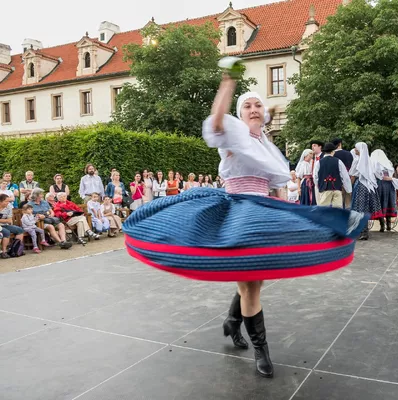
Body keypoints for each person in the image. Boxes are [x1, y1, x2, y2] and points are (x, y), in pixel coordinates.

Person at [123, 69, 368, 379]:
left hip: (263, 208)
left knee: (256, 277)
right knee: (251, 283)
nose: (254, 110)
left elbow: (274, 176)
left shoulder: (266, 145)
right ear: (239, 114)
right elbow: (216, 121)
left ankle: (232, 320)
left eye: (258, 106)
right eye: (247, 106)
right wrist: (228, 83)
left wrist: (283, 207)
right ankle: (261, 351)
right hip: (236, 210)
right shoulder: (233, 135)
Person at [349, 142, 383, 240]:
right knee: (364, 210)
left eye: (356, 148)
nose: (355, 150)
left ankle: (362, 232)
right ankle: (364, 231)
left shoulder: (357, 161)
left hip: (360, 186)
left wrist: (349, 188)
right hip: (368, 187)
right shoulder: (370, 161)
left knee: (359, 209)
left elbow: (352, 175)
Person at [370, 150, 398, 232]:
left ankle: (382, 225)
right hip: (389, 185)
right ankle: (388, 225)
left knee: (380, 203)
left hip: (380, 185)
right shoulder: (388, 163)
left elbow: (374, 174)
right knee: (388, 203)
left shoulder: (375, 163)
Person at [313, 142, 352, 208]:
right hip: (337, 188)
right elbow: (345, 177)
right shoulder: (338, 161)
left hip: (325, 189)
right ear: (333, 151)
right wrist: (348, 190)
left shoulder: (318, 162)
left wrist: (319, 186)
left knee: (324, 209)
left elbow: (315, 176)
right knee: (337, 209)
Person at [331, 138, 354, 209]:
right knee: (348, 202)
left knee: (338, 203)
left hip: (335, 181)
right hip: (348, 179)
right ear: (340, 144)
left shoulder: (332, 155)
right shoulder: (348, 154)